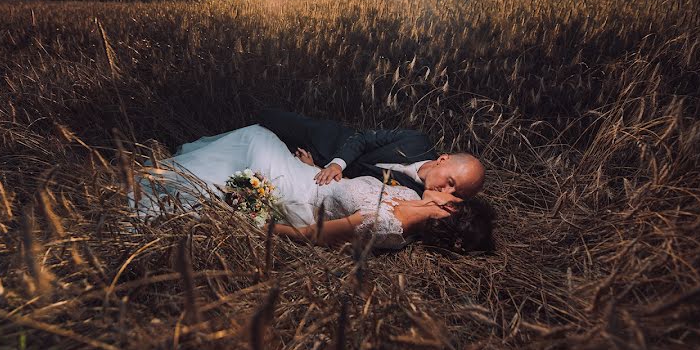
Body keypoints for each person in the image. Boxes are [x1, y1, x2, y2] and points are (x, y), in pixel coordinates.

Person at [131, 124, 494, 252]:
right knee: (258, 137)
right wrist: (319, 168)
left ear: (446, 211)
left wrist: (255, 227)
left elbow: (310, 234)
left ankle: (155, 192)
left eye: (455, 195)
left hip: (299, 197)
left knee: (254, 139)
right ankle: (165, 180)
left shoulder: (386, 225)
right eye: (454, 188)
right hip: (310, 177)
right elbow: (357, 186)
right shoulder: (411, 195)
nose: (448, 191)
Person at [258, 108, 485, 199]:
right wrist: (337, 164)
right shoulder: (417, 141)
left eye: (456, 193)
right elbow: (363, 137)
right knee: (268, 120)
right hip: (330, 142)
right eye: (451, 181)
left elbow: (359, 188)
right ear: (442, 159)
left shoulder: (415, 196)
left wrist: (315, 168)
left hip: (317, 176)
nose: (446, 190)